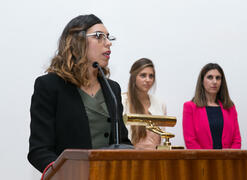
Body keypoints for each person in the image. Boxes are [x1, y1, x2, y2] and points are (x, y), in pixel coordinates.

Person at [28, 14, 131, 173]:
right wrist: (67, 173)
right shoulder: (49, 86)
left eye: (109, 38)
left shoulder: (113, 89)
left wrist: (139, 151)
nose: (108, 43)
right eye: (99, 36)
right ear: (77, 41)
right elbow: (39, 150)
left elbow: (121, 141)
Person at [182, 63, 241, 149]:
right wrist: (207, 160)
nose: (214, 82)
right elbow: (190, 141)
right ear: (202, 81)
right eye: (210, 77)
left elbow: (236, 140)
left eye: (218, 78)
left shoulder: (230, 107)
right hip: (201, 161)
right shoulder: (190, 107)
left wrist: (228, 158)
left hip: (228, 161)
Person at [122, 58, 167, 149]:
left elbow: (161, 139)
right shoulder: (122, 101)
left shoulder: (160, 103)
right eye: (143, 75)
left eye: (151, 76)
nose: (148, 79)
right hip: (129, 156)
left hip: (154, 157)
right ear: (134, 77)